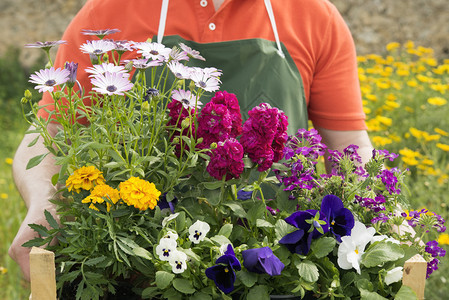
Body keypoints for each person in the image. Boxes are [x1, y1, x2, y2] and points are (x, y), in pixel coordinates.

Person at [9, 0, 373, 281]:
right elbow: (49, 133)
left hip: (277, 264)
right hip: (139, 264)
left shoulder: (313, 15)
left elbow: (350, 146)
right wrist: (46, 202)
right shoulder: (108, 12)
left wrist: (376, 219)